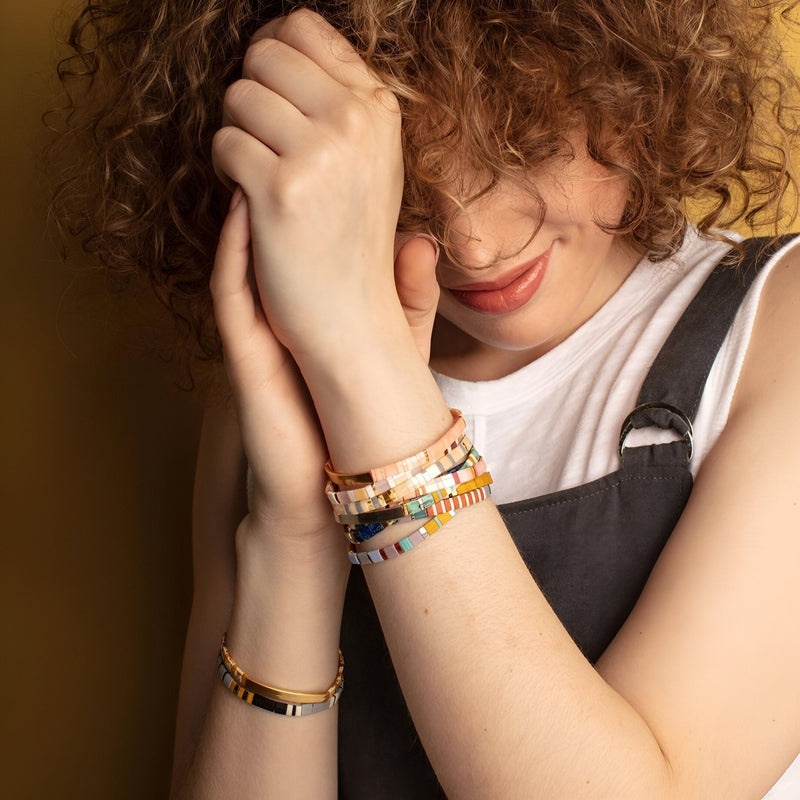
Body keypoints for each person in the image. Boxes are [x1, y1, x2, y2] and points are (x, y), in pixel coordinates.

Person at [52, 1, 800, 797]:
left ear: (631, 87)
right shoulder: (274, 383)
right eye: (408, 183)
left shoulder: (774, 326)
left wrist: (365, 364)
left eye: (527, 147)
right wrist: (295, 533)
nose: (476, 246)